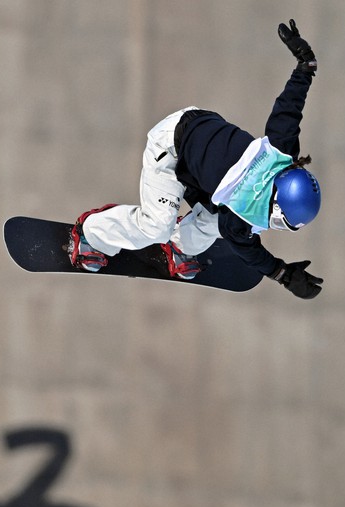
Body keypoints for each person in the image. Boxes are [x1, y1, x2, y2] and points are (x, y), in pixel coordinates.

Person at [68, 19, 324, 299]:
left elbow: (290, 108)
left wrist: (306, 65)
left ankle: (180, 246)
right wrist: (282, 275)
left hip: (203, 134)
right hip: (171, 146)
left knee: (216, 223)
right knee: (156, 227)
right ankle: (90, 234)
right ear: (276, 203)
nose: (272, 224)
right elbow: (249, 250)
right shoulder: (240, 216)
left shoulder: (282, 153)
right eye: (279, 221)